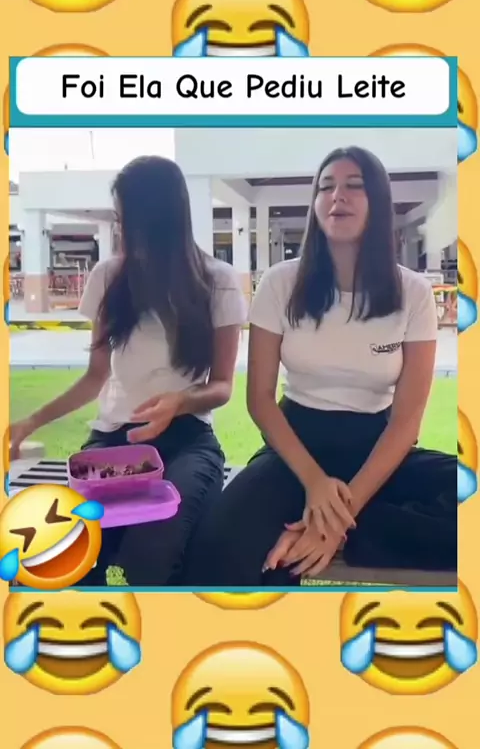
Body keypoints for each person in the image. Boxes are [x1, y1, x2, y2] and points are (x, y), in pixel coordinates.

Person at [183, 146, 456, 586]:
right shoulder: (280, 283)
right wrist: (314, 483)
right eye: (326, 187)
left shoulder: (413, 293)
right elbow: (260, 400)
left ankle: (349, 531)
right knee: (217, 548)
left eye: (354, 186)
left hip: (377, 450)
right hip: (295, 449)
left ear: (378, 202)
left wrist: (337, 519)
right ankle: (347, 527)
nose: (337, 196)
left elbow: (406, 422)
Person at [9, 156, 246, 586]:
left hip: (188, 442)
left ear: (157, 220)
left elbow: (223, 386)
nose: (120, 229)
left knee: (154, 546)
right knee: (59, 547)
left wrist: (179, 402)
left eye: (126, 219)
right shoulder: (108, 277)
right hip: (114, 443)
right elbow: (95, 376)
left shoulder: (219, 281)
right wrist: (31, 421)